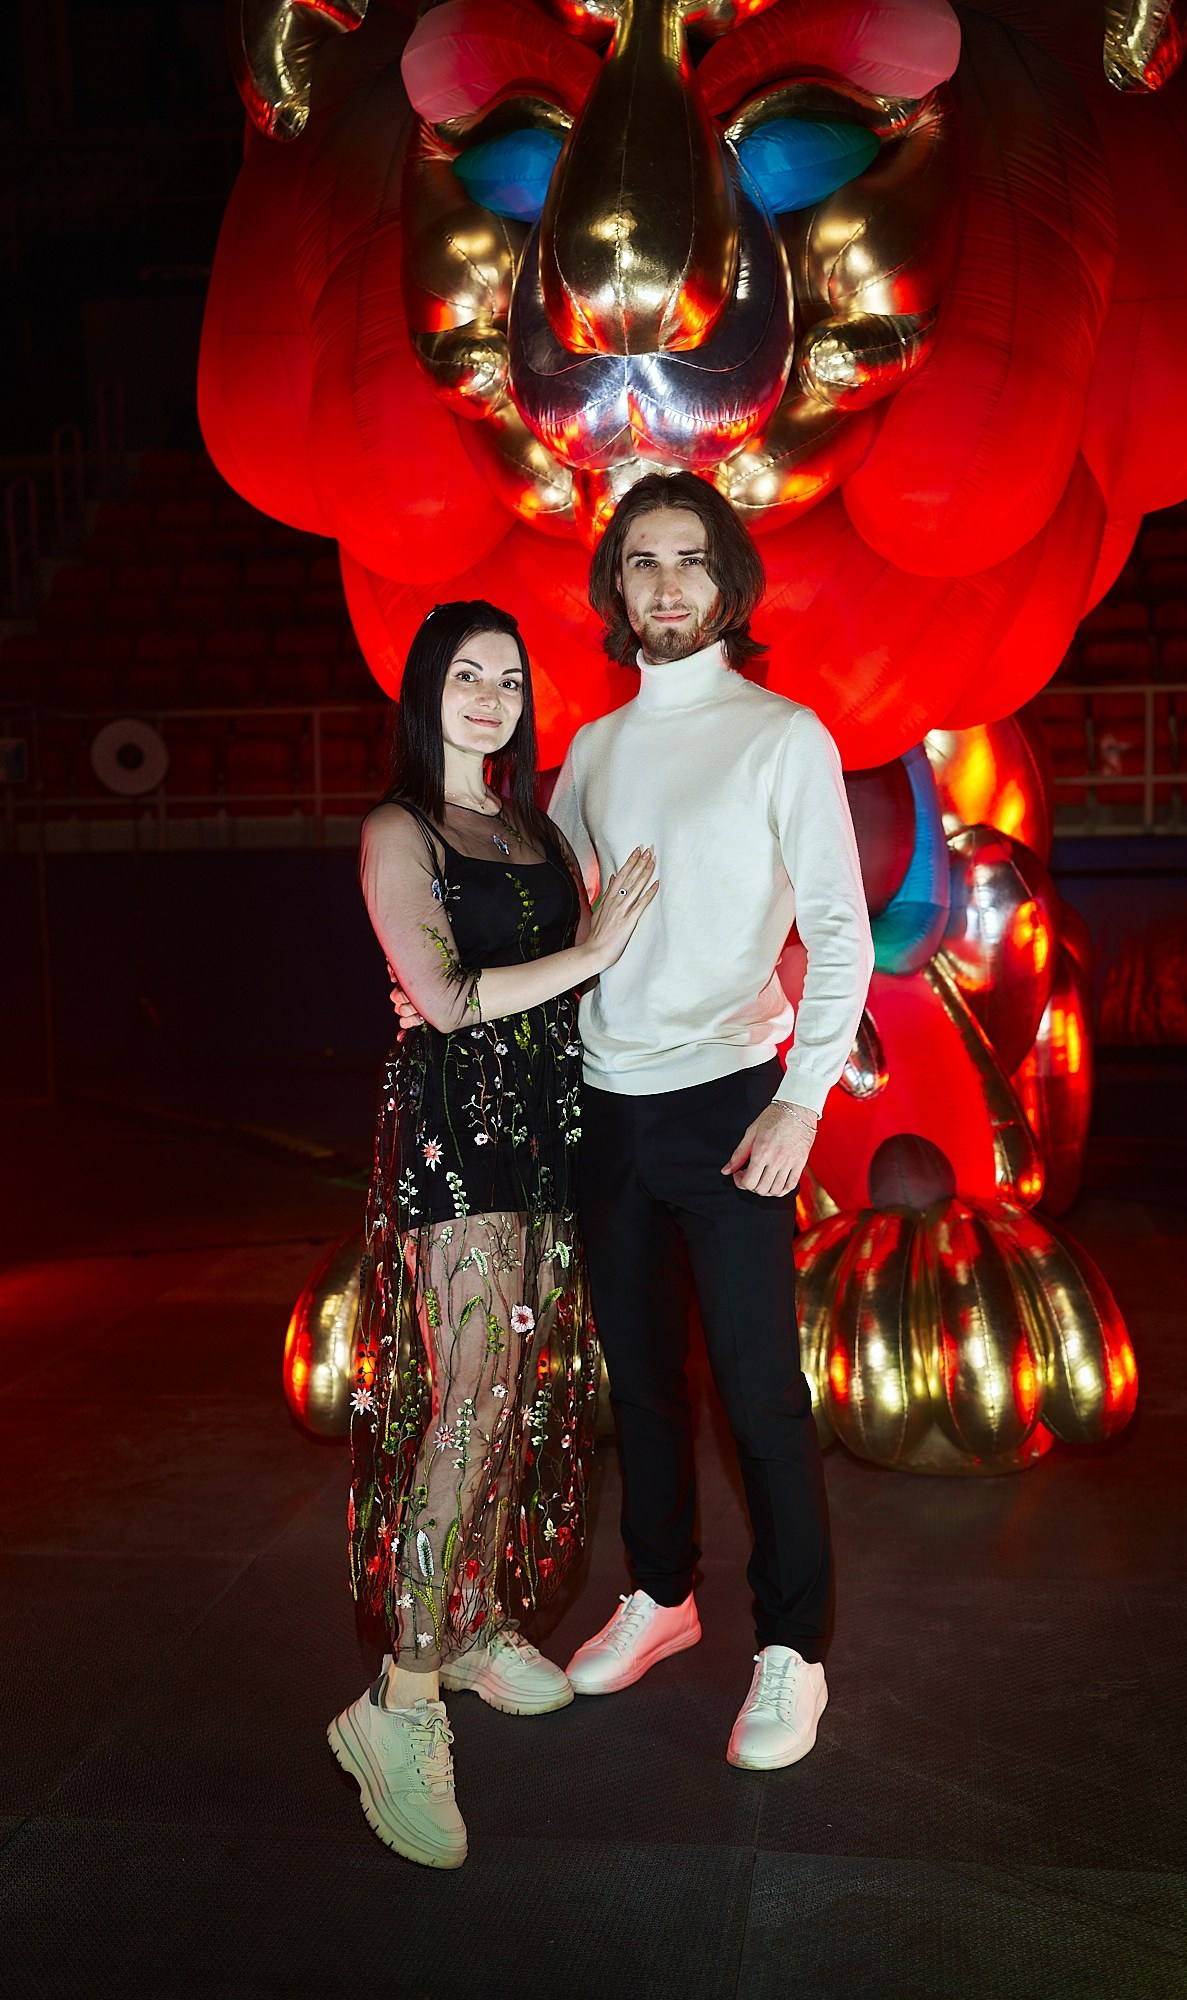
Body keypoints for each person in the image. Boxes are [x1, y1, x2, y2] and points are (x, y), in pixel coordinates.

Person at [550, 472, 872, 1770]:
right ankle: (663, 1594)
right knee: (639, 1383)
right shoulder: (590, 750)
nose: (667, 582)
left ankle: (793, 1648)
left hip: (733, 1094)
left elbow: (840, 930)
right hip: (606, 1103)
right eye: (643, 560)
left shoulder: (782, 734)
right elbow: (552, 923)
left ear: (728, 582)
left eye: (689, 558)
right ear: (616, 588)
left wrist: (800, 1094)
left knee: (756, 1387)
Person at [328, 600, 657, 1869]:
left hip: (542, 1129)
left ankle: (464, 1619)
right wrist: (594, 948)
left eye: (510, 679)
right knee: (466, 1397)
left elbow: (547, 981)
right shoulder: (396, 828)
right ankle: (399, 1696)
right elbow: (448, 998)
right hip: (454, 1133)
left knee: (513, 1384)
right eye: (467, 675)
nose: (491, 697)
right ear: (426, 692)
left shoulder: (531, 827)